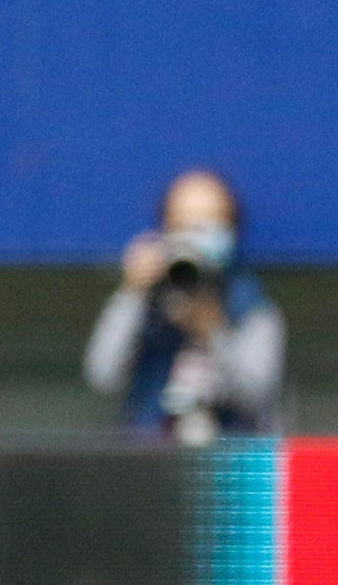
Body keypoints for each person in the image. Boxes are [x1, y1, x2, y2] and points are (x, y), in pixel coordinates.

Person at [84, 168, 285, 441]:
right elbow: (103, 375)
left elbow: (258, 392)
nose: (193, 238)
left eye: (207, 224)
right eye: (183, 226)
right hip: (150, 456)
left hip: (229, 462)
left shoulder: (250, 306)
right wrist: (132, 293)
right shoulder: (148, 299)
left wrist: (211, 331)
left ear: (231, 230)